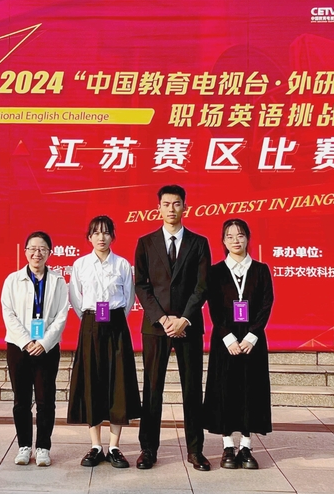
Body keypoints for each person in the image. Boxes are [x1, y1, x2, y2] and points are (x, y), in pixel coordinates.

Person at [134, 184, 212, 471]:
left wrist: (185, 318)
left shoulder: (199, 243)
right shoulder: (146, 242)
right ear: (158, 208)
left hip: (188, 326)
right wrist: (162, 318)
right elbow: (141, 285)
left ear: (184, 207)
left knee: (192, 388)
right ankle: (148, 449)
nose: (171, 209)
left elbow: (202, 286)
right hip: (156, 327)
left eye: (176, 204)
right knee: (152, 388)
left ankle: (195, 450)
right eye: (166, 204)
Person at [67, 216, 141, 468]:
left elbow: (129, 298)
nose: (101, 237)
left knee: (118, 382)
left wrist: (114, 318)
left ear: (113, 236)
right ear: (89, 237)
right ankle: (96, 445)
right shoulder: (80, 264)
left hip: (116, 325)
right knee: (92, 381)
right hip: (90, 325)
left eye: (106, 232)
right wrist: (89, 319)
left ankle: (115, 447)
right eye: (96, 233)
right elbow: (75, 297)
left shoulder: (122, 264)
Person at [203, 218, 274, 469]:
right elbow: (214, 307)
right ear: (223, 241)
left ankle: (246, 446)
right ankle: (227, 446)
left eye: (240, 235)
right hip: (226, 341)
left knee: (250, 390)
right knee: (225, 390)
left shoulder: (261, 270)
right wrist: (228, 337)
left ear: (248, 238)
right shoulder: (215, 272)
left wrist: (253, 336)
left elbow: (266, 304)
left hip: (253, 341)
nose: (236, 240)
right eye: (230, 236)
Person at [1, 231, 69, 467]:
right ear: (25, 252)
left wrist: (43, 343)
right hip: (18, 347)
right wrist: (26, 341)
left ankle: (43, 447)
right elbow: (8, 313)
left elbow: (61, 315)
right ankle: (24, 446)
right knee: (21, 400)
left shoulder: (58, 281)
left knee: (45, 400)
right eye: (32, 248)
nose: (37, 253)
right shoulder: (13, 280)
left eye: (42, 249)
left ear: (50, 252)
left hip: (47, 349)